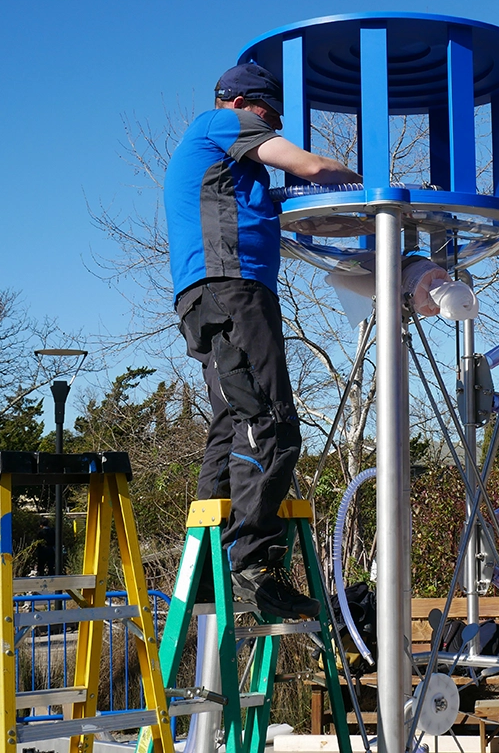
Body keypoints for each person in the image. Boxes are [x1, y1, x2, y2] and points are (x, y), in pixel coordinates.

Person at [165, 63, 362, 619]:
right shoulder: (218, 124)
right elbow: (309, 164)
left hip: (210, 295)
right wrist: (363, 182)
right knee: (272, 422)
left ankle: (205, 573)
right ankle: (253, 567)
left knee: (232, 422)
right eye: (270, 116)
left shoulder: (230, 178)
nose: (271, 128)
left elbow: (288, 207)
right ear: (244, 103)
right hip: (232, 290)